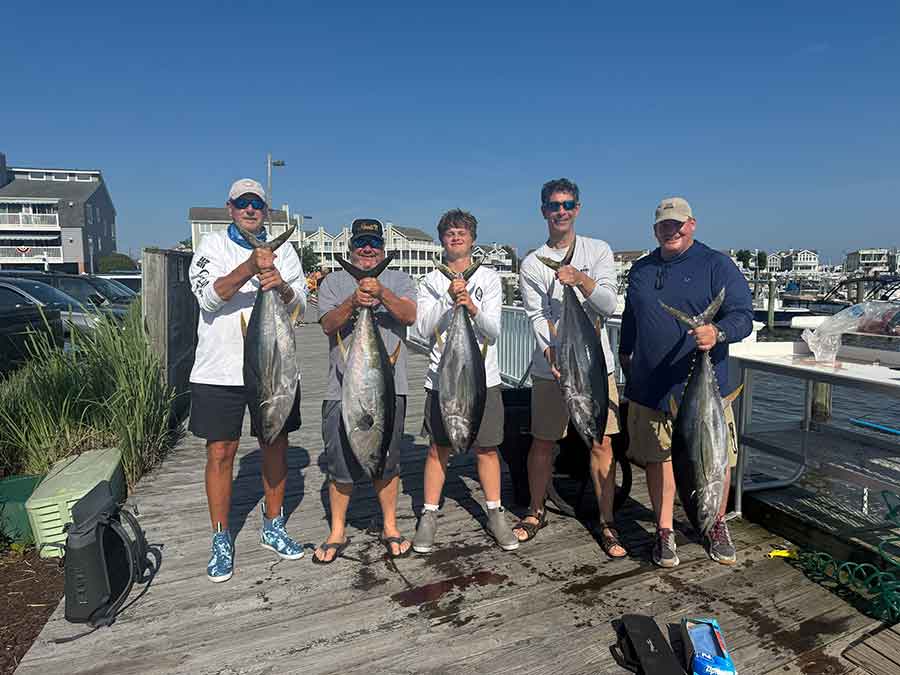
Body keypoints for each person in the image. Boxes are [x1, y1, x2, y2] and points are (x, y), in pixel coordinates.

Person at [618, 197, 753, 568]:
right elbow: (631, 317)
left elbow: (743, 316)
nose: (671, 231)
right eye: (664, 225)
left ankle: (716, 524)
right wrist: (625, 353)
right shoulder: (641, 269)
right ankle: (664, 530)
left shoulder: (716, 265)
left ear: (691, 224)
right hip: (651, 387)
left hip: (705, 393)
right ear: (655, 230)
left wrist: (717, 332)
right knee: (658, 459)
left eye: (677, 224)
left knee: (717, 458)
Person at [188, 178, 307, 583]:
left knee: (275, 442)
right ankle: (221, 537)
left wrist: (281, 285)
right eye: (243, 204)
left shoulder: (285, 251)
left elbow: (300, 308)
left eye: (257, 204)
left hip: (276, 364)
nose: (250, 209)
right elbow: (208, 297)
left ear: (266, 211)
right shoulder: (211, 246)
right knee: (221, 451)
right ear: (230, 208)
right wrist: (250, 268)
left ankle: (273, 525)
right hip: (218, 370)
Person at [516, 178, 624, 557]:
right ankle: (535, 512)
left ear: (577, 209)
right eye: (553, 205)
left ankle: (607, 522)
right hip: (551, 369)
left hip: (594, 366)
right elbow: (537, 314)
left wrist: (579, 279)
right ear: (543, 211)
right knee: (543, 441)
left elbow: (608, 305)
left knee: (601, 441)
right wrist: (550, 351)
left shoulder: (599, 250)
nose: (560, 211)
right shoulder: (532, 263)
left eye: (567, 204)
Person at [413, 209, 519, 553]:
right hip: (441, 380)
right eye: (450, 233)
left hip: (482, 379)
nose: (456, 237)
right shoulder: (430, 281)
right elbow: (422, 329)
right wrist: (448, 297)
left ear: (472, 238)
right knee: (437, 448)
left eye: (462, 232)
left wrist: (471, 306)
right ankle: (429, 514)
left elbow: (493, 330)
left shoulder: (489, 278)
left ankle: (495, 513)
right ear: (442, 240)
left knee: (487, 448)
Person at [314, 218, 417, 563]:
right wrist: (354, 302)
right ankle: (337, 531)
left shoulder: (400, 280)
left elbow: (409, 315)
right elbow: (328, 324)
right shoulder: (332, 282)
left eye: (374, 243)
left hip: (389, 388)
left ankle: (390, 526)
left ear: (383, 249)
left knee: (387, 462)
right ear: (351, 248)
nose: (368, 249)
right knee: (339, 463)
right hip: (341, 390)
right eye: (361, 243)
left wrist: (381, 292)